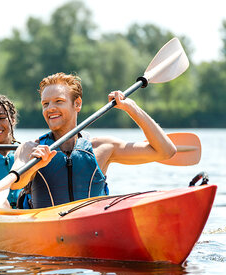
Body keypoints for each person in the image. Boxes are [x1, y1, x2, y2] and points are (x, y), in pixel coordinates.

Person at [11, 72, 176, 209]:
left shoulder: (103, 147)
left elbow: (166, 151)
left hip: (93, 227)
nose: (50, 108)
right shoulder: (30, 148)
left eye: (58, 101)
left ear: (77, 104)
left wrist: (131, 108)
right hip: (46, 229)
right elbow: (15, 184)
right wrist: (34, 167)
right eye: (45, 104)